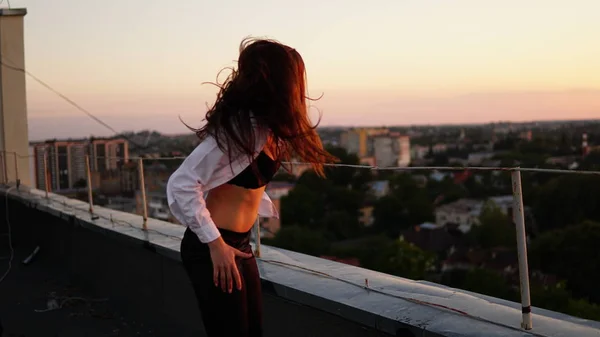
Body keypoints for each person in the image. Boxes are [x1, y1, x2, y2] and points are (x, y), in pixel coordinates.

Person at [166, 38, 337, 337]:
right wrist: (215, 245)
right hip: (213, 246)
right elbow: (181, 184)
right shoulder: (241, 128)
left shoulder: (269, 131)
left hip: (240, 245)